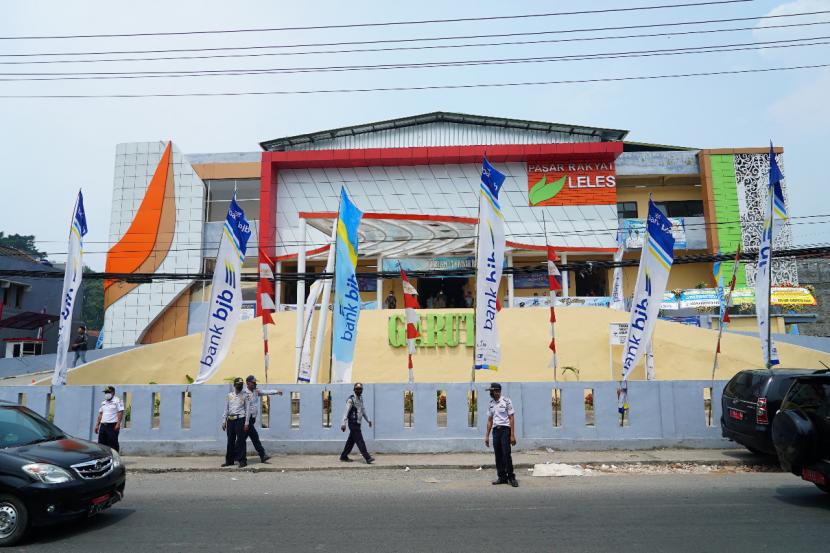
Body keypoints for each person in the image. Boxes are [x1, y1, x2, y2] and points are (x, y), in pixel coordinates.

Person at [484, 383, 518, 487]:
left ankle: (511, 477)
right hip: (495, 431)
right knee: (498, 455)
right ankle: (502, 477)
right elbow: (490, 420)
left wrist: (512, 435)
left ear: (498, 391)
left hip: (505, 430)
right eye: (494, 391)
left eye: (497, 391)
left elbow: (511, 417)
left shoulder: (507, 401)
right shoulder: (491, 404)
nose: (495, 393)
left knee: (506, 454)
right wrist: (487, 436)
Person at [244, 375, 283, 463]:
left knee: (243, 438)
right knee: (254, 437)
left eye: (255, 382)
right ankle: (262, 455)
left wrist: (276, 392)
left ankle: (235, 455)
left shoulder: (256, 391)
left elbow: (266, 392)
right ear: (248, 383)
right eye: (253, 383)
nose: (255, 384)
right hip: (247, 419)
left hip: (252, 419)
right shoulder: (244, 393)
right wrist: (246, 422)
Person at [339, 382, 375, 464]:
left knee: (351, 441)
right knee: (360, 440)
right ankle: (367, 457)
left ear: (362, 390)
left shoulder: (361, 398)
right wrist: (343, 424)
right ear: (354, 390)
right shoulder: (350, 400)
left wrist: (368, 420)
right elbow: (346, 412)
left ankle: (343, 456)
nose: (358, 390)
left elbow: (363, 410)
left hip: (358, 422)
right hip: (352, 423)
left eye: (360, 389)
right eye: (357, 389)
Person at [221, 377, 251, 468]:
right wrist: (223, 421)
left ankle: (242, 461)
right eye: (238, 385)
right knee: (230, 440)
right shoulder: (229, 395)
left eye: (241, 385)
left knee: (241, 440)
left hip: (240, 419)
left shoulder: (245, 395)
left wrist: (246, 423)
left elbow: (248, 409)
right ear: (234, 385)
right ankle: (229, 460)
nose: (239, 387)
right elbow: (226, 409)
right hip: (230, 420)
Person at [94, 385, 124, 452]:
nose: (106, 394)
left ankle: (115, 459)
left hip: (112, 426)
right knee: (101, 444)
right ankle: (104, 459)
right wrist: (97, 425)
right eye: (105, 392)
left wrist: (118, 424)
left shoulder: (117, 401)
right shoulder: (103, 402)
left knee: (113, 443)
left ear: (113, 392)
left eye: (108, 392)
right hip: (103, 426)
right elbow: (101, 414)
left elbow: (120, 412)